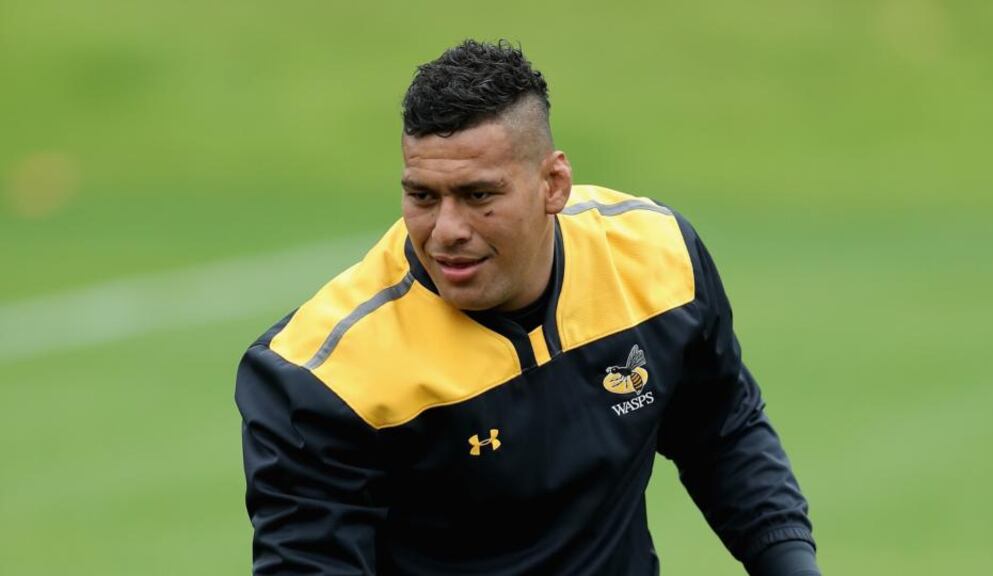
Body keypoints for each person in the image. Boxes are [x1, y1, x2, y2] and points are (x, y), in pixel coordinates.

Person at [235, 40, 819, 575]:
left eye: (478, 195)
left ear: (553, 184)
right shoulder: (326, 378)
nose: (446, 231)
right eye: (422, 196)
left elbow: (721, 430)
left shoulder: (656, 259)